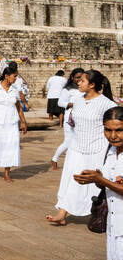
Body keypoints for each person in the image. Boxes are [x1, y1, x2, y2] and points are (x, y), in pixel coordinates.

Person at [47, 69, 117, 225]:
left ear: (92, 85)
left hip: (97, 149)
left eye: (82, 81)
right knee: (72, 180)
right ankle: (62, 213)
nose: (78, 82)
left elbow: (115, 124)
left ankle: (101, 213)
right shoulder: (77, 100)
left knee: (96, 183)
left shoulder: (107, 104)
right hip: (76, 148)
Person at [73, 105, 123, 260]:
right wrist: (97, 179)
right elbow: (113, 182)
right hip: (114, 222)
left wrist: (101, 180)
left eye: (119, 130)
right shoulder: (110, 151)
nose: (113, 135)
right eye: (108, 130)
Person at [0, 62, 27, 181]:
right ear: (7, 76)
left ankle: (7, 173)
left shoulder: (14, 90)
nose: (16, 78)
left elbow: (18, 107)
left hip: (12, 123)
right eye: (14, 76)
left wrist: (23, 122)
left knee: (11, 146)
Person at [51, 69, 85, 168]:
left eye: (81, 78)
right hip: (70, 119)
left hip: (82, 118)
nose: (79, 80)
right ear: (72, 77)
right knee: (68, 141)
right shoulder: (67, 89)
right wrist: (71, 104)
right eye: (77, 77)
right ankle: (55, 158)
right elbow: (60, 103)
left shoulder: (84, 88)